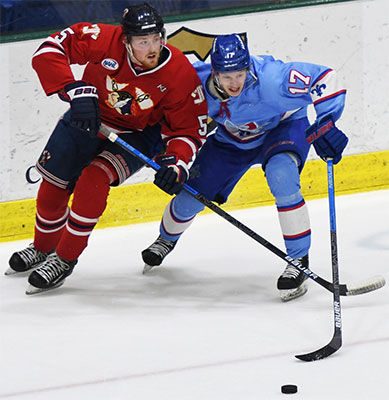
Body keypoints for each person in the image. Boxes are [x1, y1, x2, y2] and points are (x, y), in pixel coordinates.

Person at [6, 3, 208, 294]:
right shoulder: (103, 39)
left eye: (157, 39)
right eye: (143, 41)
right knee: (52, 188)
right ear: (126, 40)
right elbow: (49, 49)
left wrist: (177, 163)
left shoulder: (178, 73)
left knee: (93, 179)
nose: (153, 48)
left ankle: (64, 259)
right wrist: (71, 88)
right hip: (88, 118)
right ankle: (42, 248)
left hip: (136, 134)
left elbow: (188, 129)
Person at [143, 33, 348, 301]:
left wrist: (326, 121)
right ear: (214, 71)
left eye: (240, 74)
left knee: (281, 175)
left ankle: (298, 261)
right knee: (189, 199)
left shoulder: (273, 78)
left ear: (248, 66)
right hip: (231, 140)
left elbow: (325, 78)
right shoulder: (195, 82)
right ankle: (166, 239)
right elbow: (160, 100)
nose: (234, 83)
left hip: (283, 128)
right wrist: (167, 155)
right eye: (227, 77)